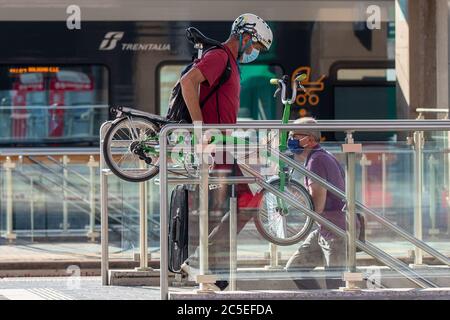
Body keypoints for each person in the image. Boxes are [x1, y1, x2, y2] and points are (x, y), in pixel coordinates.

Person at [179, 13, 273, 291]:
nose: (255, 52)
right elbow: (188, 82)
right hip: (214, 143)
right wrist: (199, 127)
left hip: (222, 141)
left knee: (249, 194)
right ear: (245, 36)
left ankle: (206, 264)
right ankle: (203, 264)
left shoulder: (230, 62)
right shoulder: (220, 56)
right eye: (256, 46)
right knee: (251, 192)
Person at [285, 117, 360, 289]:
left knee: (336, 285)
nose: (290, 140)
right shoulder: (320, 156)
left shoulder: (316, 161)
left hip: (337, 232)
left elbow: (316, 207)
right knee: (295, 268)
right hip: (326, 229)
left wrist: (295, 201)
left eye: (294, 136)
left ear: (309, 140)